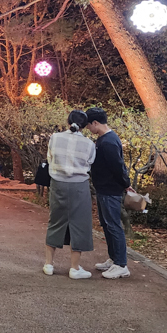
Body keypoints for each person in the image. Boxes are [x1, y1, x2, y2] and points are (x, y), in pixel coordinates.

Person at [44, 110, 97, 279]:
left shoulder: (55, 138)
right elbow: (90, 163)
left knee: (55, 221)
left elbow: (50, 158)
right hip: (79, 186)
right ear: (85, 126)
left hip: (58, 184)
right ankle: (75, 268)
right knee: (79, 223)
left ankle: (48, 264)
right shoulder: (89, 144)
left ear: (68, 122)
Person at [85, 107, 132, 280]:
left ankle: (121, 264)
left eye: (89, 125)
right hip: (104, 188)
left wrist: (126, 184)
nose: (88, 128)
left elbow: (118, 166)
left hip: (110, 189)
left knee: (113, 225)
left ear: (95, 122)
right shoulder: (105, 139)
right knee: (107, 225)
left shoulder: (108, 141)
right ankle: (114, 259)